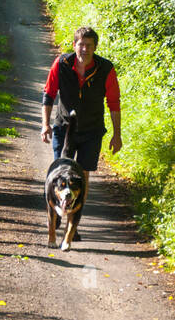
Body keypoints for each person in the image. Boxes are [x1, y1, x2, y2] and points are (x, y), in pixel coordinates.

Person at [41, 25, 121, 209]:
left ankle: (74, 217)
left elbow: (114, 103)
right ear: (74, 45)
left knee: (82, 175)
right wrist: (45, 124)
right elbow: (49, 94)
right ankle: (58, 210)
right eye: (81, 45)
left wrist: (117, 135)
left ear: (95, 47)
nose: (85, 49)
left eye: (89, 46)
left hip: (91, 129)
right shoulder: (61, 64)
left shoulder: (105, 69)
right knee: (60, 170)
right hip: (64, 127)